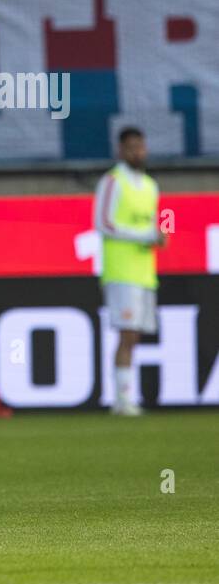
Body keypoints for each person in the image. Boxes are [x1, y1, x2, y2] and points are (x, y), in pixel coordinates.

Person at [94, 127, 165, 417]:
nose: (138, 152)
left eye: (141, 147)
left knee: (134, 336)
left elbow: (158, 221)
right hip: (121, 270)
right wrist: (144, 235)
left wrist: (161, 235)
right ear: (121, 150)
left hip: (145, 271)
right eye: (132, 147)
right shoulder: (113, 181)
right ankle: (122, 401)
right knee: (127, 334)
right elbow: (104, 224)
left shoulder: (151, 185)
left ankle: (125, 397)